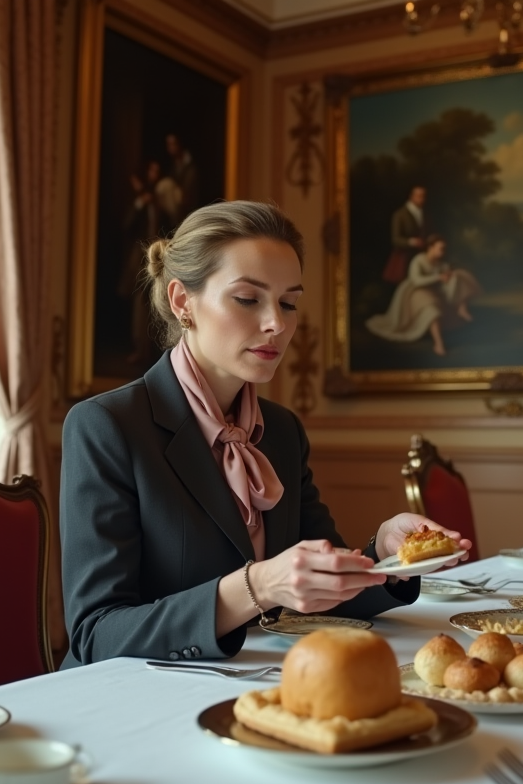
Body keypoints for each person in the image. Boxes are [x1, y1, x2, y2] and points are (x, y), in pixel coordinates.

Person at [60, 201, 471, 667]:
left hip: (260, 683)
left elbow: (318, 591)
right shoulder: (106, 425)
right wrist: (256, 587)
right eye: (248, 299)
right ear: (182, 302)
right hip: (133, 701)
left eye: (289, 303)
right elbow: (96, 635)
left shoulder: (281, 430)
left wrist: (387, 555)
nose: (277, 323)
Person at [366, 235, 481, 356]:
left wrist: (448, 277)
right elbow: (416, 280)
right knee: (432, 310)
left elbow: (447, 281)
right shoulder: (419, 260)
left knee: (458, 274)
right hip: (415, 292)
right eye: (441, 248)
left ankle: (462, 307)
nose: (443, 251)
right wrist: (438, 277)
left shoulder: (441, 264)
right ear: (431, 247)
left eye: (444, 249)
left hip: (433, 292)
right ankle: (438, 343)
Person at [119, 161, 172, 365]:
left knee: (158, 305)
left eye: (157, 172)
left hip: (161, 262)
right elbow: (127, 226)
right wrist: (140, 203)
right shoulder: (139, 204)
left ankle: (153, 354)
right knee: (139, 309)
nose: (154, 175)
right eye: (151, 171)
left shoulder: (162, 205)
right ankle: (139, 349)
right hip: (139, 263)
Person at [382, 186, 427, 284]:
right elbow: (396, 239)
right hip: (403, 258)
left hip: (420, 256)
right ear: (411, 196)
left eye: (423, 196)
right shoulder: (399, 214)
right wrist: (411, 242)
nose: (422, 199)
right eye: (419, 196)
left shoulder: (425, 214)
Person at [165, 133, 199, 225]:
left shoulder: (190, 164)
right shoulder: (172, 163)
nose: (171, 148)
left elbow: (188, 190)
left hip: (188, 204)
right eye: (169, 145)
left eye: (173, 144)